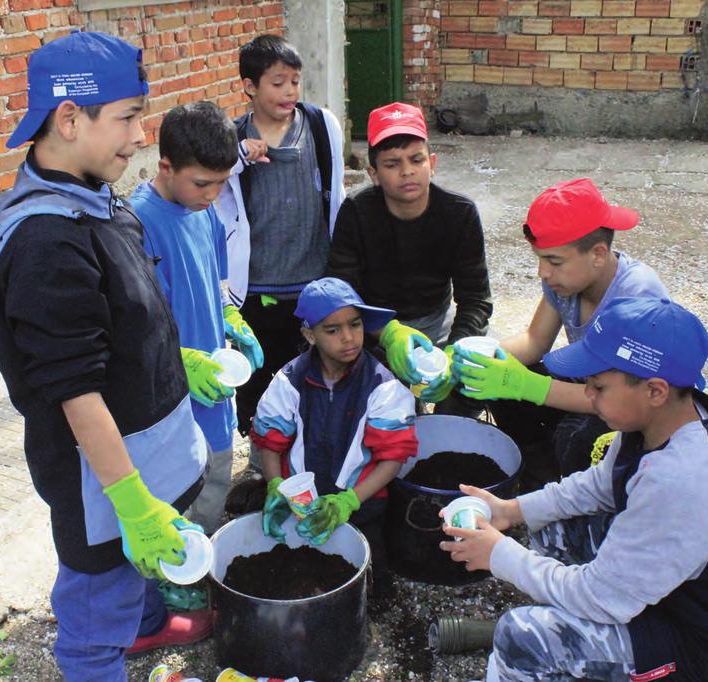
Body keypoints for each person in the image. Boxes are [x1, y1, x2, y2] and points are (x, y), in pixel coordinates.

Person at [0, 32, 210, 680]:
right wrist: (133, 506)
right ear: (69, 117)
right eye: (128, 118)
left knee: (127, 582)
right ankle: (108, 649)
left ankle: (142, 625)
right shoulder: (46, 239)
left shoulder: (97, 199)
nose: (140, 136)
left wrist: (181, 362)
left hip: (141, 454)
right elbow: (76, 391)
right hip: (104, 481)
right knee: (90, 626)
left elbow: (126, 317)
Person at [441, 297, 708, 682]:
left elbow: (600, 597)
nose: (587, 396)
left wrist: (500, 555)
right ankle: (578, 653)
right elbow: (596, 487)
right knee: (553, 532)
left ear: (655, 391)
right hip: (673, 596)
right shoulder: (656, 425)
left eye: (599, 386)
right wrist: (511, 509)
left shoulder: (680, 480)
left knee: (521, 636)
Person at [452, 178, 668, 489]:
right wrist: (476, 358)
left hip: (635, 406)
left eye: (553, 261)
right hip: (593, 383)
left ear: (597, 253)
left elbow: (620, 398)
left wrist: (526, 385)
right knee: (502, 392)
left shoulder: (636, 296)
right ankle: (538, 481)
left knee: (578, 439)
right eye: (540, 259)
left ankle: (577, 504)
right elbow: (535, 341)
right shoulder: (567, 282)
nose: (543, 272)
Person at [130, 101, 263, 535]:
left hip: (214, 388)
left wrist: (228, 313)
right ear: (166, 166)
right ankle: (176, 588)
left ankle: (202, 570)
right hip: (170, 397)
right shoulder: (137, 224)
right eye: (203, 183)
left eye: (222, 184)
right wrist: (181, 358)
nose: (212, 195)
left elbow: (216, 275)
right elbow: (133, 326)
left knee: (215, 482)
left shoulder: (204, 212)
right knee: (177, 503)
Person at [216, 34, 346, 448]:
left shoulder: (321, 126)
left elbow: (336, 196)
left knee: (314, 378)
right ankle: (263, 459)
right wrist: (236, 158)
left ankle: (313, 452)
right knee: (258, 382)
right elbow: (215, 203)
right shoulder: (231, 138)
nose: (290, 91)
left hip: (313, 284)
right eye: (277, 82)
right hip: (257, 291)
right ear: (249, 86)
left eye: (295, 80)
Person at [252, 277, 417, 595]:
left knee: (371, 581)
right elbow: (271, 441)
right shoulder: (289, 381)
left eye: (355, 325)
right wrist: (275, 485)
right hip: (302, 502)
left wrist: (349, 500)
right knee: (294, 572)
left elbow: (392, 457)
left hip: (362, 502)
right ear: (309, 335)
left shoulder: (383, 387)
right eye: (332, 330)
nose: (348, 338)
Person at [326, 102, 492, 416]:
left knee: (475, 380)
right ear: (373, 173)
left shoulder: (459, 213)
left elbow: (476, 298)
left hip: (437, 323)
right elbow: (341, 292)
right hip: (376, 327)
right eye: (392, 163)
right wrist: (388, 333)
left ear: (432, 163)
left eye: (416, 159)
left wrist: (457, 349)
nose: (407, 171)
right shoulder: (357, 212)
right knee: (376, 404)